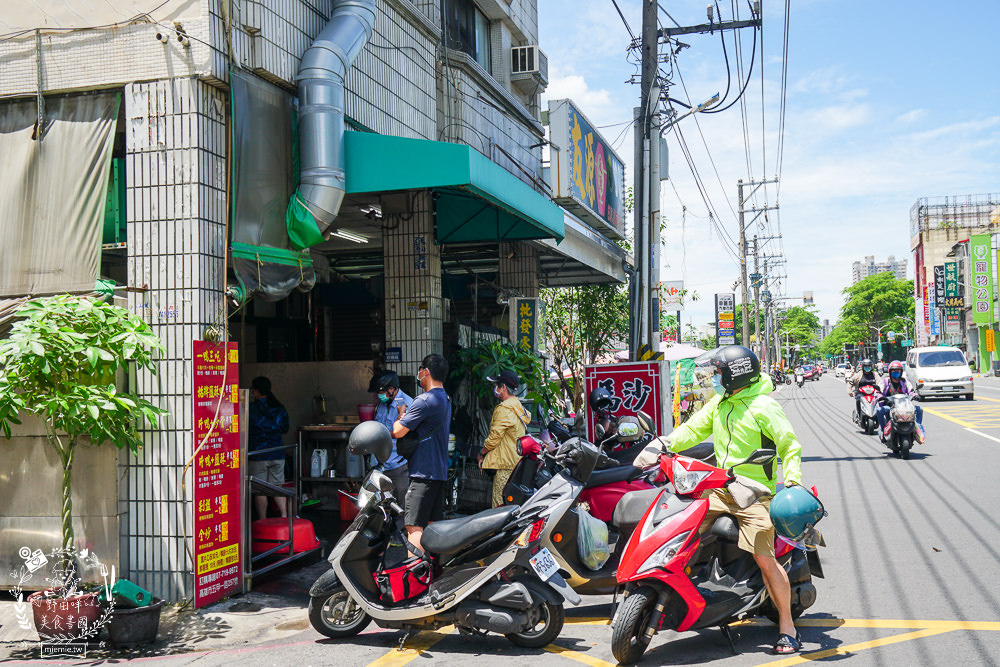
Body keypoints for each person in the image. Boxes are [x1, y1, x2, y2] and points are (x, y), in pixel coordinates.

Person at [633, 345, 804, 655]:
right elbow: (693, 430)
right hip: (721, 486)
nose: (713, 378)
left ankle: (787, 627)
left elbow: (789, 446)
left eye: (717, 373)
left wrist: (792, 480)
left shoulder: (763, 406)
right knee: (678, 528)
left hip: (756, 494)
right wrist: (663, 443)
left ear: (734, 374)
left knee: (765, 559)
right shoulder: (720, 403)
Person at [391, 354, 451, 551]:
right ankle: (433, 572)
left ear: (426, 372)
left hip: (423, 473)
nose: (419, 375)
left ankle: (415, 575)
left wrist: (400, 415)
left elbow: (398, 431)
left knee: (414, 526)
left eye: (420, 370)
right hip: (438, 472)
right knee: (432, 527)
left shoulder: (425, 400)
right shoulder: (445, 399)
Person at [479, 369, 531, 507]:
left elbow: (494, 438)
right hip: (516, 463)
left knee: (499, 507)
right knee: (511, 506)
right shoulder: (519, 407)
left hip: (505, 466)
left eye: (497, 385)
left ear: (503, 388)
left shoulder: (504, 408)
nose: (495, 389)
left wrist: (481, 452)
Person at [369, 370, 412, 531]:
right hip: (381, 462)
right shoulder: (382, 404)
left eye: (381, 391)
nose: (379, 395)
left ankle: (401, 535)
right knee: (382, 501)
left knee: (401, 500)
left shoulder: (407, 404)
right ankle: (386, 533)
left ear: (392, 389)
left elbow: (398, 432)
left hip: (399, 462)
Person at [248, 376, 289, 520]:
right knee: (277, 486)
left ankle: (262, 520)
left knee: (260, 490)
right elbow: (285, 428)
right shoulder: (278, 407)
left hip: (258, 454)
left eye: (253, 390)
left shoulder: (251, 409)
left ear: (256, 391)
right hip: (277, 453)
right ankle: (284, 516)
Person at [876, 360, 925, 443]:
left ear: (901, 372)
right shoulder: (885, 381)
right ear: (890, 372)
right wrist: (881, 397)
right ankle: (883, 430)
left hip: (904, 406)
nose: (896, 373)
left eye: (898, 371)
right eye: (894, 371)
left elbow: (911, 391)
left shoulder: (904, 381)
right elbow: (878, 391)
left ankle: (918, 430)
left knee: (919, 409)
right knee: (879, 410)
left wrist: (915, 396)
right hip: (890, 406)